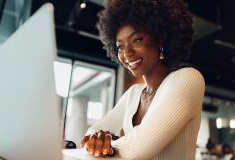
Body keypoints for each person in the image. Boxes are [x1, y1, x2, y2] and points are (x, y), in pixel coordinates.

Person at [79, 0, 205, 159]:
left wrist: (103, 145)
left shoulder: (187, 79)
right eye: (120, 46)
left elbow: (136, 149)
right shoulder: (133, 94)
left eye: (137, 40)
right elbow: (94, 130)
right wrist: (97, 137)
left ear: (160, 40)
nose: (127, 53)